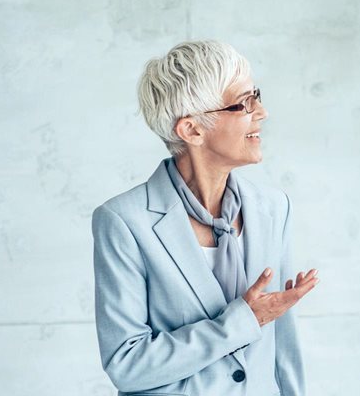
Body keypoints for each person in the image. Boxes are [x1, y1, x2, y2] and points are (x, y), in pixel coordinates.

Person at [92, 40, 317, 395]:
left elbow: (284, 346)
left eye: (256, 95)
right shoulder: (123, 222)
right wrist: (243, 321)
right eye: (244, 103)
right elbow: (128, 364)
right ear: (192, 130)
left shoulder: (273, 207)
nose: (261, 112)